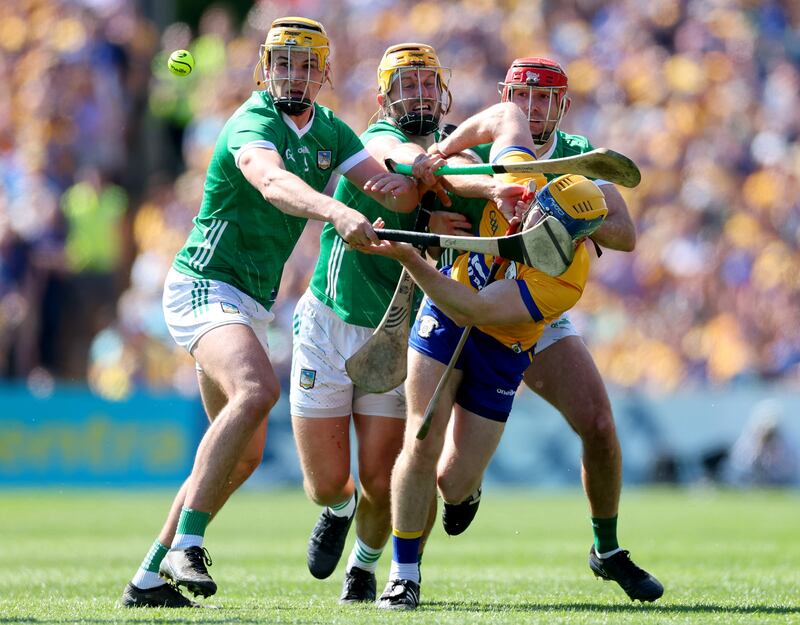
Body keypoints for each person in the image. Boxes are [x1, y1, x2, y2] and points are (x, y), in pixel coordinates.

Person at [119, 17, 419, 608]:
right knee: (256, 391)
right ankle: (188, 544)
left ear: (323, 73)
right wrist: (335, 211)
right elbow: (272, 182)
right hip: (203, 283)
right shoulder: (251, 122)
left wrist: (430, 174)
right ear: (266, 67)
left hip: (249, 301)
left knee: (241, 455)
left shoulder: (331, 131)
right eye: (284, 63)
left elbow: (389, 189)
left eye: (307, 65)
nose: (294, 75)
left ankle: (149, 578)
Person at [355, 102, 615, 610]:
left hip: (500, 339)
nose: (524, 217)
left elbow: (475, 306)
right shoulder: (522, 181)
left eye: (540, 225)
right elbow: (503, 114)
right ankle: (404, 575)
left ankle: (465, 493)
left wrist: (410, 258)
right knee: (421, 433)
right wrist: (444, 151)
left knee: (452, 484)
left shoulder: (563, 281)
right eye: (532, 211)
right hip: (444, 314)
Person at [425, 57, 663, 603]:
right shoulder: (490, 141)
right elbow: (446, 177)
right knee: (450, 483)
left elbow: (625, 232)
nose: (533, 110)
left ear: (563, 107)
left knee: (599, 423)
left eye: (545, 100)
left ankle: (606, 550)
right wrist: (491, 188)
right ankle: (467, 490)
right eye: (523, 98)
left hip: (543, 309)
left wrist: (566, 211)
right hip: (479, 296)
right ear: (507, 97)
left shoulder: (579, 153)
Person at [291, 42, 520, 604]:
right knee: (326, 483)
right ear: (384, 98)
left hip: (402, 335)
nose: (418, 95)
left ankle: (366, 566)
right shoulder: (368, 143)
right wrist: (428, 205)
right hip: (330, 318)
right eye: (406, 86)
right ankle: (337, 511)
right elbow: (394, 164)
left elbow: (472, 164)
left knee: (383, 478)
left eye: (426, 85)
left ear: (440, 93)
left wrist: (495, 182)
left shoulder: (453, 153)